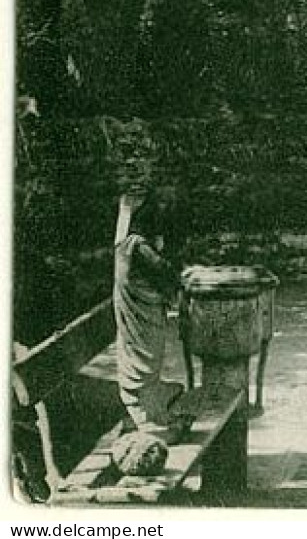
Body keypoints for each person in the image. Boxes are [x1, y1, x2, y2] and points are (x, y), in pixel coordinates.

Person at [113, 185, 183, 432]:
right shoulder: (136, 246)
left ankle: (150, 389)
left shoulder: (133, 245)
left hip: (145, 314)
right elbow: (165, 272)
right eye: (159, 207)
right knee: (146, 352)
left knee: (152, 349)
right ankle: (144, 404)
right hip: (141, 319)